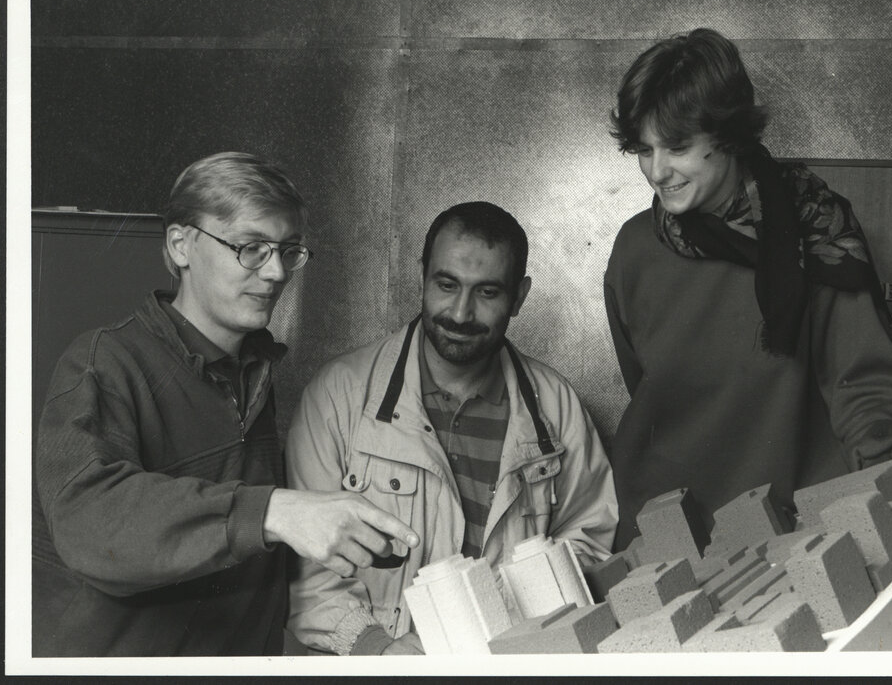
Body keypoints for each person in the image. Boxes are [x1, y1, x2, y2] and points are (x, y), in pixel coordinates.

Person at [32, 152, 419, 657]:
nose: (276, 272)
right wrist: (274, 511)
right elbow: (88, 520)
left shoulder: (254, 370)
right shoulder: (105, 362)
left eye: (288, 250)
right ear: (181, 245)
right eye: (250, 247)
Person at [604, 29, 892, 551]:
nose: (658, 171)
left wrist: (874, 508)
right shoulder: (634, 248)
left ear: (728, 134)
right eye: (644, 149)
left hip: (794, 532)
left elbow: (868, 387)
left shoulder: (818, 231)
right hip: (666, 535)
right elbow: (647, 387)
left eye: (678, 147)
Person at [286, 201, 617, 655]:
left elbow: (588, 537)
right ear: (422, 276)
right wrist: (376, 649)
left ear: (519, 297)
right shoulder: (338, 396)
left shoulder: (556, 406)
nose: (460, 313)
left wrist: (514, 625)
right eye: (446, 285)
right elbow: (307, 568)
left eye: (487, 292)